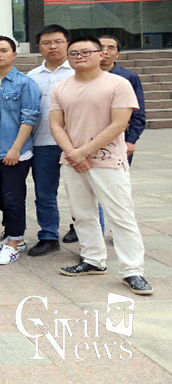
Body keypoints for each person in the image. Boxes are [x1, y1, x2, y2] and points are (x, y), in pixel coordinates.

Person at [49, 37, 152, 295]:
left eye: (86, 52)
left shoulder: (118, 84)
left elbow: (119, 124)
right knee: (82, 213)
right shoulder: (61, 87)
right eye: (74, 53)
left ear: (100, 54)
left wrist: (83, 152)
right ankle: (93, 259)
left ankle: (133, 270)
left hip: (107, 160)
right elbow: (56, 125)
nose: (79, 56)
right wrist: (73, 154)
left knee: (121, 216)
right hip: (72, 161)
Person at [0, 36, 40, 265]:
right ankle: (11, 235)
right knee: (0, 196)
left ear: (14, 54)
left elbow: (30, 118)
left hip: (14, 152)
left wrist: (16, 149)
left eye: (3, 50)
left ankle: (15, 242)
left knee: (13, 198)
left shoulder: (25, 83)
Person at [27, 24, 74, 254]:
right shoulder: (31, 77)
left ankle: (86, 234)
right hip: (42, 143)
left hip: (76, 144)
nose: (52, 46)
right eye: (46, 43)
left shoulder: (77, 71)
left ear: (67, 44)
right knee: (45, 193)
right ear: (39, 47)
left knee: (84, 193)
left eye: (58, 41)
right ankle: (48, 235)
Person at [99, 35, 146, 163]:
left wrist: (131, 140)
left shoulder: (128, 77)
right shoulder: (81, 76)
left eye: (111, 48)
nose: (105, 51)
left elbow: (138, 113)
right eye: (101, 47)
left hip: (119, 138)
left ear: (117, 54)